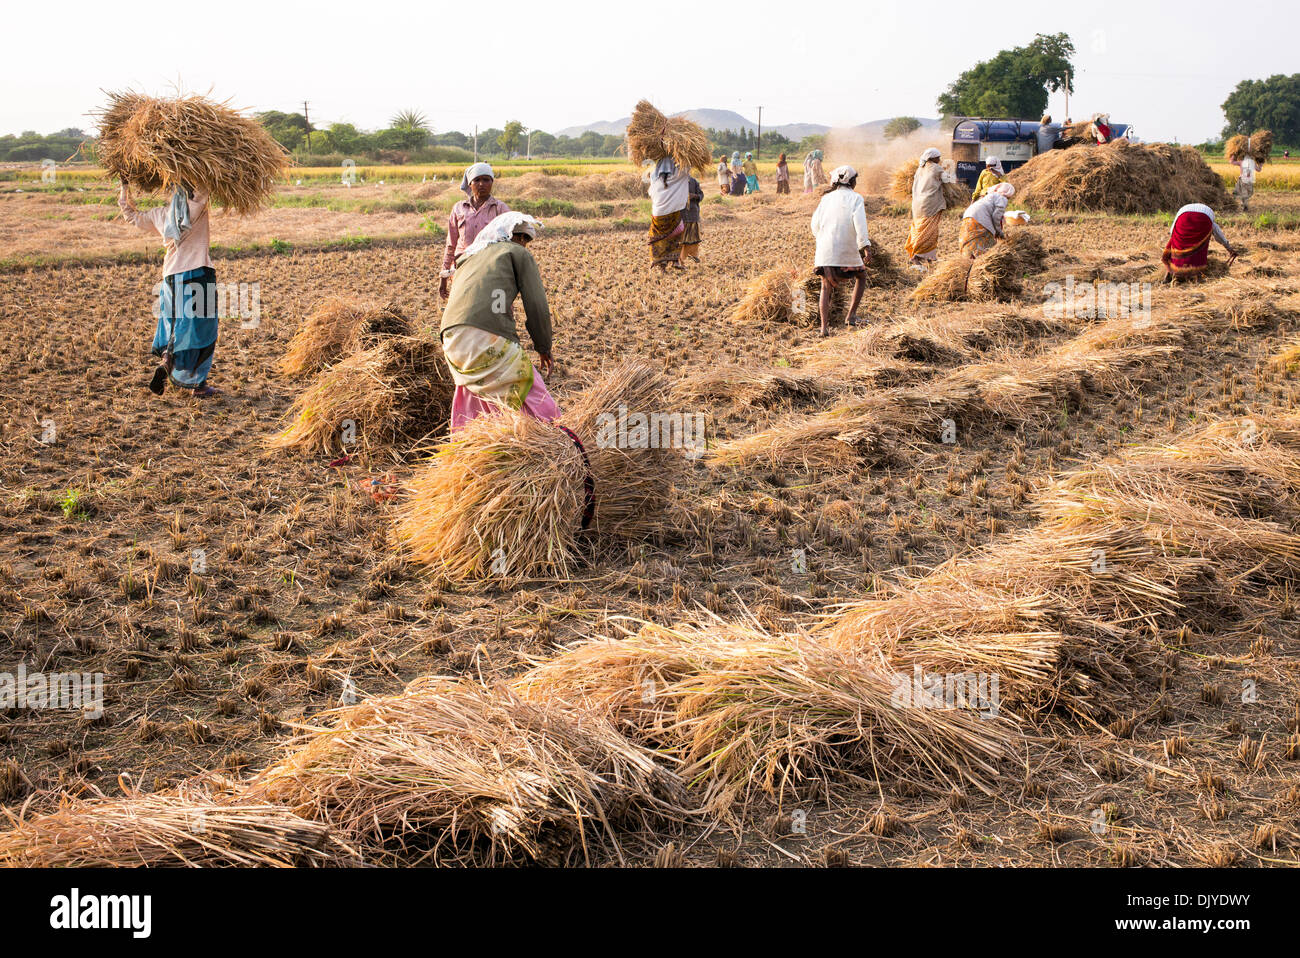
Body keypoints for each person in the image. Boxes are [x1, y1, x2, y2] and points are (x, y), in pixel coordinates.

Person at [439, 212, 559, 432]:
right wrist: (544, 347)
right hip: (484, 335)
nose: (525, 245)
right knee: (527, 383)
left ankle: (473, 446)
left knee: (476, 391)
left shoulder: (471, 257)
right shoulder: (517, 253)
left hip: (451, 338)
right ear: (518, 237)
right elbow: (536, 304)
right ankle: (556, 435)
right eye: (524, 239)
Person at [118, 181, 221, 398]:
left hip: (171, 277)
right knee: (203, 329)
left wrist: (124, 187)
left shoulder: (160, 214)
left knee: (174, 322)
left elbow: (131, 215)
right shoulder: (196, 207)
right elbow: (207, 181)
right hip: (197, 274)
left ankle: (167, 359)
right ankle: (198, 383)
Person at [810, 165, 872, 337]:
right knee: (861, 275)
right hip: (846, 252)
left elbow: (814, 225)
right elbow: (860, 225)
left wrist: (822, 240)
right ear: (851, 181)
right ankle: (851, 316)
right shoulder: (856, 198)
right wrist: (865, 247)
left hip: (825, 252)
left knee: (825, 287)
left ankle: (823, 328)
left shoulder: (826, 199)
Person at [439, 162, 510, 299]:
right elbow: (451, 244)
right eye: (477, 180)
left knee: (494, 311)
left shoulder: (500, 209)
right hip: (462, 269)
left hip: (490, 270)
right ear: (470, 184)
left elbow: (511, 243)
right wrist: (444, 275)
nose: (481, 184)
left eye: (486, 180)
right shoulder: (459, 208)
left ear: (492, 182)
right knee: (463, 310)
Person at [1162, 203, 1238, 282]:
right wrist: (1228, 248)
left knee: (1182, 245)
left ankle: (1170, 275)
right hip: (1201, 215)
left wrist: (1176, 242)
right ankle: (1196, 275)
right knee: (1198, 248)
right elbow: (1218, 234)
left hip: (1186, 214)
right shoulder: (1168, 260)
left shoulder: (1171, 263)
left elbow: (1172, 232)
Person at [644, 155, 691, 270]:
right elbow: (687, 167)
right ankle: (675, 261)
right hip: (673, 213)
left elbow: (650, 190)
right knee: (676, 235)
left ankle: (661, 263)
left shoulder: (655, 179)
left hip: (658, 214)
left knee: (657, 236)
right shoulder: (678, 176)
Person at [905, 148, 946, 268]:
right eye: (938, 157)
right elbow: (948, 180)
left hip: (917, 205)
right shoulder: (936, 168)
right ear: (932, 158)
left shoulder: (920, 169)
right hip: (930, 205)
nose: (939, 160)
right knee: (928, 232)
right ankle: (916, 257)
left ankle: (930, 258)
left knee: (920, 229)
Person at [959, 182, 1015, 258]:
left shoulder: (990, 195)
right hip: (979, 219)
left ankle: (968, 260)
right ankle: (980, 263)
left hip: (968, 216)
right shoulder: (1002, 198)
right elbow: (996, 216)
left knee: (969, 240)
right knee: (987, 246)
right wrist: (999, 232)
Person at [681, 175, 704, 263]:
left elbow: (701, 195)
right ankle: (681, 258)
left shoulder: (693, 181)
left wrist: (694, 196)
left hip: (693, 212)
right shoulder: (675, 181)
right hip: (681, 213)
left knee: (694, 236)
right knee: (682, 238)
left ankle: (693, 254)